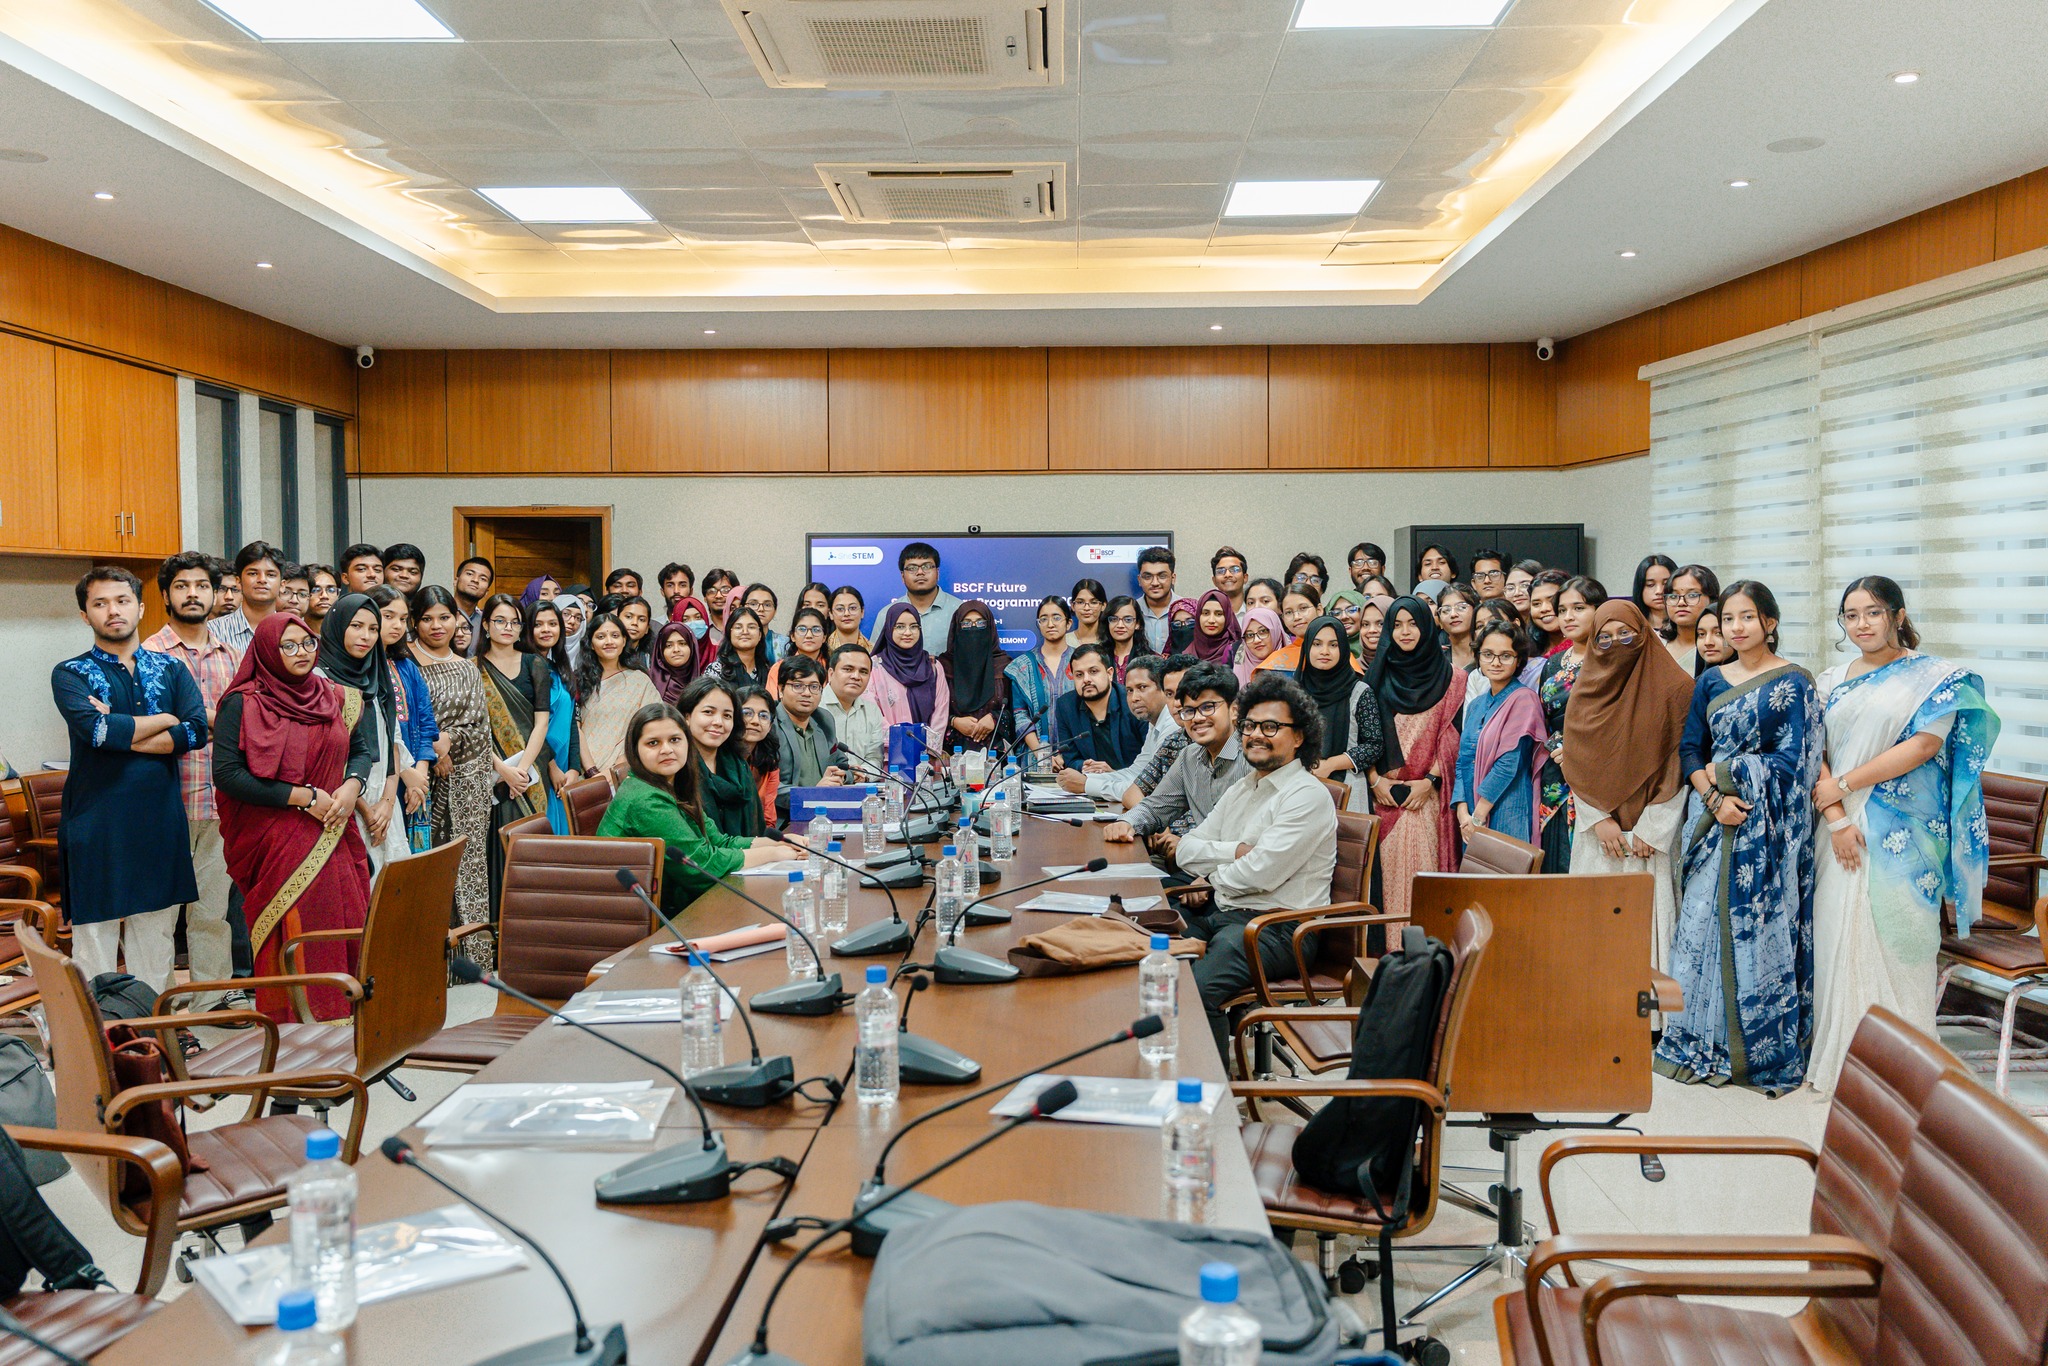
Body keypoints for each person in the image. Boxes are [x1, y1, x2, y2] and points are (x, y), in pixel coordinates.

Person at [1806, 577, 1997, 1094]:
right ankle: (1844, 1063)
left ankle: (1906, 1074)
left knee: (1902, 943)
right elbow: (1814, 750)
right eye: (1851, 615)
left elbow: (1922, 747)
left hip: (1907, 835)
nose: (1861, 624)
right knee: (1836, 938)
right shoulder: (1829, 680)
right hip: (1839, 827)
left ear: (1898, 615)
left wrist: (1843, 787)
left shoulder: (1938, 679)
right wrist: (1837, 815)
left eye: (1872, 612)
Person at [1657, 580, 1823, 1095]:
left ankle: (1754, 1049)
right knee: (1701, 924)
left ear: (1769, 622)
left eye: (1746, 617)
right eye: (1729, 619)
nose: (1736, 628)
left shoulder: (1795, 681)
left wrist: (1737, 782)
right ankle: (1697, 1038)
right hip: (1715, 821)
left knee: (1758, 931)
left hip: (1767, 829)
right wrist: (1715, 798)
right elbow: (1690, 751)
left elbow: (1798, 761)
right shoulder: (1709, 682)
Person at [212, 612, 370, 1022]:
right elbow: (228, 775)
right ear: (267, 650)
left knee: (343, 921)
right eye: (289, 645)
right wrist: (302, 797)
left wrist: (352, 786)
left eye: (308, 643)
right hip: (277, 837)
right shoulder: (242, 702)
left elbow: (361, 751)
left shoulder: (337, 696)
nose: (302, 653)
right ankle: (297, 1029)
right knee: (297, 930)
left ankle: (344, 1020)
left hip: (335, 827)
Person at [54, 567, 206, 992]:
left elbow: (195, 732)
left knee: (155, 941)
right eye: (99, 603)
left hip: (158, 822)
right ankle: (98, 1045)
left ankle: (153, 1042)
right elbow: (97, 734)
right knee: (94, 944)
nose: (112, 611)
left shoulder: (171, 669)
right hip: (95, 823)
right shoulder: (70, 673)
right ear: (86, 615)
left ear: (140, 607)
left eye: (121, 601)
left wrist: (124, 730)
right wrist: (163, 720)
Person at [1173, 673, 1338, 1058]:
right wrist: (1235, 851)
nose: (1255, 735)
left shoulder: (1306, 796)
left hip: (1282, 928)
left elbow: (1262, 871)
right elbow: (1185, 851)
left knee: (1196, 991)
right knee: (1150, 954)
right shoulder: (1244, 787)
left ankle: (1210, 1103)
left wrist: (1212, 877)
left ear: (1299, 737)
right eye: (1249, 726)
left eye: (1270, 727)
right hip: (1228, 912)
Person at [1565, 601, 1695, 974]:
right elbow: (1577, 759)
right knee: (1595, 927)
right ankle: (1597, 1011)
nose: (1616, 644)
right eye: (1603, 638)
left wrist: (1653, 828)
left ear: (1644, 635)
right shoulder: (1586, 690)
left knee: (1647, 924)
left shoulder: (1676, 689)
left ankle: (1649, 1022)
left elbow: (1679, 763)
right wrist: (1598, 819)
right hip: (1599, 836)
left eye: (1626, 634)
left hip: (1648, 840)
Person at [143, 553, 242, 1008]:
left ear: (216, 593)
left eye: (202, 586)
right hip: (164, 803)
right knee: (158, 915)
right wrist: (206, 720)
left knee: (212, 913)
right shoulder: (147, 655)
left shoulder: (233, 656)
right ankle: (160, 1004)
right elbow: (149, 724)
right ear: (165, 594)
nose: (193, 594)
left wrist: (198, 722)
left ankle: (212, 999)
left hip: (221, 802)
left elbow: (246, 725)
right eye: (182, 586)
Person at [595, 703, 803, 919]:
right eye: (653, 743)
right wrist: (774, 854)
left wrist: (782, 842)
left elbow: (718, 841)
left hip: (672, 906)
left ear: (687, 742)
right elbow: (700, 866)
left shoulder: (673, 784)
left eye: (674, 740)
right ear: (635, 750)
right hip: (639, 920)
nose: (666, 749)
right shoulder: (645, 799)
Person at [1362, 597, 1463, 920]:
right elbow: (1364, 736)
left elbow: (1452, 739)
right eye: (1397, 624)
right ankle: (1387, 959)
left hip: (1427, 798)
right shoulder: (1374, 679)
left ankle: (1423, 958)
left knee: (1424, 876)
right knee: (1384, 882)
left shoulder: (1454, 679)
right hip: (1382, 797)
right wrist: (1375, 780)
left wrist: (1430, 781)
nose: (1405, 632)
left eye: (1414, 623)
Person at [411, 585, 495, 968]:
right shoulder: (406, 664)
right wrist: (432, 750)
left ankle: (473, 957)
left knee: (468, 861)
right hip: (420, 779)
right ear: (415, 622)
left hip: (468, 778)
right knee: (426, 866)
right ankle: (429, 959)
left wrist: (447, 740)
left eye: (444, 617)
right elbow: (405, 717)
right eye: (427, 618)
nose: (437, 625)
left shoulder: (467, 666)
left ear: (457, 620)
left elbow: (480, 725)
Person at [475, 592, 571, 903]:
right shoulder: (472, 667)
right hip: (489, 776)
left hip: (530, 776)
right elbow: (473, 728)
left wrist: (521, 770)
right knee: (497, 849)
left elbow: (541, 722)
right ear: (486, 625)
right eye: (500, 621)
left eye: (514, 622)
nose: (508, 627)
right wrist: (501, 769)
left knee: (533, 847)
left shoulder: (535, 664)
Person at [1105, 665, 1248, 870]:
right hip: (1196, 866)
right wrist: (1126, 823)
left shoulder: (1252, 757)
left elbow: (1254, 842)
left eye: (1208, 707)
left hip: (1237, 875)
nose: (1197, 718)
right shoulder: (1189, 757)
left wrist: (1207, 878)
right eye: (1189, 711)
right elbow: (1156, 806)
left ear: (1233, 710)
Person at [314, 592, 413, 871]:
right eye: (356, 626)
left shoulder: (377, 674)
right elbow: (327, 757)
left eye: (373, 629)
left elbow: (391, 742)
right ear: (338, 626)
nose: (366, 636)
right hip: (343, 805)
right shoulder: (320, 680)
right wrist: (368, 811)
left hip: (384, 805)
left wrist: (387, 802)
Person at [1534, 575, 1606, 872]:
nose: (1568, 617)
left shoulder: (1612, 660)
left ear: (1599, 610)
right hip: (1556, 770)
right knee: (1555, 861)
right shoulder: (1553, 663)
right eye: (1562, 610)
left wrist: (1578, 753)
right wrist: (1557, 749)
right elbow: (1540, 718)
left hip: (1598, 773)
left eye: (1578, 608)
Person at [1453, 622, 1546, 844]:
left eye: (1505, 656)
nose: (1495, 662)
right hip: (1472, 811)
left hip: (1508, 805)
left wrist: (1478, 816)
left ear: (1518, 661)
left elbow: (1507, 765)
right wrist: (1462, 811)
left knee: (1505, 875)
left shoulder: (1524, 699)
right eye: (1487, 654)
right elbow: (1462, 761)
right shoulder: (1476, 704)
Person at [370, 584, 437, 854]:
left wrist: (419, 774)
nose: (397, 625)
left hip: (415, 779)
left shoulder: (406, 665)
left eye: (402, 618)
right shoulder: (360, 666)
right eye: (388, 616)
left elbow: (426, 721)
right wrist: (405, 773)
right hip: (379, 778)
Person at [1061, 654, 1181, 803]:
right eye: (1130, 690)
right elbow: (1136, 773)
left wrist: (1086, 784)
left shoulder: (1173, 726)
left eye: (1142, 688)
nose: (1134, 698)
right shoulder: (1154, 723)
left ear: (1163, 689)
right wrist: (1086, 778)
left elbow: (1148, 790)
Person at [1293, 616, 1382, 810]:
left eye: (1333, 645)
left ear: (1343, 648)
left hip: (1348, 788)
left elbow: (1374, 745)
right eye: (1317, 644)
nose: (1324, 651)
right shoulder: (1293, 692)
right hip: (1296, 786)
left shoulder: (1360, 691)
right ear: (1307, 647)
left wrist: (1330, 764)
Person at [679, 675, 764, 840]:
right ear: (687, 717)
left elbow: (757, 828)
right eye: (708, 712)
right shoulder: (677, 768)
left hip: (750, 860)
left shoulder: (739, 767)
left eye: (727, 716)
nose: (718, 722)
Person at [576, 612, 658, 782]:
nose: (609, 642)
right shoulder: (579, 681)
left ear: (624, 641)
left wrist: (621, 766)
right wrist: (593, 773)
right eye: (600, 636)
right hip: (585, 773)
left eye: (615, 636)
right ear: (591, 644)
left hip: (630, 772)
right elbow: (574, 729)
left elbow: (651, 726)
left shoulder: (640, 681)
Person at [524, 599, 582, 831]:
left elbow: (570, 723)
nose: (546, 630)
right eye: (538, 624)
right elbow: (527, 724)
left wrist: (574, 768)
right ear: (528, 629)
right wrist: (550, 766)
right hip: (539, 768)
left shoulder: (558, 667)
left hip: (563, 769)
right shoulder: (525, 668)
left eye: (552, 623)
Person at [869, 602, 952, 759]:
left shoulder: (933, 666)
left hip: (927, 758)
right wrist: (902, 745)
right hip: (889, 758)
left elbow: (941, 711)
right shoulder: (875, 666)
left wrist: (929, 748)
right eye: (899, 627)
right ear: (889, 629)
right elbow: (872, 713)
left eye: (914, 627)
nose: (908, 632)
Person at [1052, 645, 1148, 773]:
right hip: (1091, 785)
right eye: (1079, 675)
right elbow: (1071, 758)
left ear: (1109, 673)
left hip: (1134, 784)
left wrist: (1114, 773)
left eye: (1093, 671)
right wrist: (1086, 767)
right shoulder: (1066, 706)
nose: (1086, 680)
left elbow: (1150, 760)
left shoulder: (1132, 701)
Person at [772, 655, 842, 821]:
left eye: (814, 687)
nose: (806, 693)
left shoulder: (823, 720)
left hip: (823, 816)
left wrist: (844, 775)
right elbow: (766, 787)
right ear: (780, 689)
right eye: (798, 686)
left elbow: (840, 762)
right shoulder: (769, 725)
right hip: (783, 821)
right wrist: (812, 794)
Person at [1005, 595, 1076, 760]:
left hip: (1076, 755)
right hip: (1034, 757)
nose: (1050, 624)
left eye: (1056, 618)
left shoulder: (1082, 661)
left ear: (1069, 623)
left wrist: (1069, 754)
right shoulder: (1023, 666)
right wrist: (1041, 753)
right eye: (1043, 619)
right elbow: (1020, 715)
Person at [939, 599, 1008, 752]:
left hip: (996, 758)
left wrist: (995, 719)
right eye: (967, 624)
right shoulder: (942, 667)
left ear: (989, 628)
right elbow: (930, 712)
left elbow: (1019, 711)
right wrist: (953, 721)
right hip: (951, 757)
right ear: (957, 628)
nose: (974, 628)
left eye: (980, 623)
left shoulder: (1005, 666)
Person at [821, 643, 888, 774]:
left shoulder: (872, 711)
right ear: (831, 673)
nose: (856, 676)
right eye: (848, 669)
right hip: (822, 787)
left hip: (862, 787)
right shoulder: (815, 707)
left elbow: (875, 758)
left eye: (863, 672)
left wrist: (862, 774)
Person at [209, 541, 284, 651]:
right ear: (238, 582)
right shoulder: (212, 631)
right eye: (253, 573)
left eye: (270, 575)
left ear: (282, 584)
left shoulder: (294, 632)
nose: (262, 580)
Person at [883, 542, 961, 645]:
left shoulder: (959, 610)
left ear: (937, 573)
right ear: (902, 576)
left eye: (927, 566)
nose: (920, 572)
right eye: (912, 568)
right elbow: (877, 658)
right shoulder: (887, 614)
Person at [734, 685, 781, 830]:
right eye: (747, 713)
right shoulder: (720, 760)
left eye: (763, 716)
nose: (755, 721)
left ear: (770, 725)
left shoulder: (769, 763)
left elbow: (769, 819)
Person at [1664, 564, 1721, 675]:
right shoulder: (1655, 644)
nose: (1681, 603)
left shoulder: (1719, 646)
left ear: (1712, 600)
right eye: (1673, 596)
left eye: (1692, 595)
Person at [765, 607, 830, 699]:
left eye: (816, 630)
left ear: (824, 637)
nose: (809, 635)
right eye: (802, 629)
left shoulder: (832, 668)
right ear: (792, 636)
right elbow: (772, 704)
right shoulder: (778, 668)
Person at [1254, 586, 1322, 674]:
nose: (1296, 617)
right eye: (1288, 612)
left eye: (1303, 608)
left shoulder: (1338, 653)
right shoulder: (1275, 665)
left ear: (1319, 610)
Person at [647, 619, 707, 707]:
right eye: (669, 646)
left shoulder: (704, 685)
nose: (676, 650)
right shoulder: (648, 682)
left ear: (692, 647)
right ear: (660, 651)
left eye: (682, 644)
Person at [715, 605, 772, 691]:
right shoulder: (718, 669)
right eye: (738, 627)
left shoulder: (768, 670)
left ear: (760, 635)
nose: (745, 632)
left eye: (751, 627)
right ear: (729, 633)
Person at [1136, 547, 1176, 650]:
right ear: (1139, 580)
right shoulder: (1131, 611)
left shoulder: (1187, 611)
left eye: (1162, 576)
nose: (1155, 583)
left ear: (1173, 578)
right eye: (1147, 577)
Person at [1436, 583, 1480, 673]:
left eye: (1461, 607)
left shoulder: (1488, 656)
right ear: (1440, 621)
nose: (1453, 614)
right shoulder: (1436, 659)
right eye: (1446, 610)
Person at [1633, 554, 1678, 639]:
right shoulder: (1632, 628)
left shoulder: (1685, 627)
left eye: (1665, 584)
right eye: (1650, 585)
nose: (1659, 591)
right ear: (1640, 588)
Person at [1234, 606, 1283, 683]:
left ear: (1276, 632)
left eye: (1263, 631)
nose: (1256, 640)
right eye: (1250, 635)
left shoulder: (1294, 664)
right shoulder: (1240, 667)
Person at [739, 583, 788, 659]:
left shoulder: (785, 643)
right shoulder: (736, 639)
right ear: (742, 608)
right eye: (754, 604)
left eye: (767, 605)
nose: (761, 609)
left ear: (775, 610)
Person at [1526, 569, 1569, 656]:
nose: (1544, 609)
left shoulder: (1584, 647)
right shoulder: (1526, 649)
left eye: (1552, 600)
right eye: (1536, 604)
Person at [1102, 595, 1143, 681]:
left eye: (1128, 620)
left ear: (1137, 624)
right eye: (1114, 619)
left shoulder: (1149, 659)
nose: (1120, 625)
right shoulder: (1098, 657)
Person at [452, 556, 495, 635]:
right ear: (456, 581)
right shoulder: (438, 613)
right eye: (469, 574)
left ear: (486, 592)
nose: (475, 580)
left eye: (483, 579)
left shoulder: (485, 624)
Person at [826, 585, 869, 653]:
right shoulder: (822, 650)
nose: (846, 614)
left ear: (862, 612)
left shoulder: (874, 652)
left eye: (852, 608)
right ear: (830, 614)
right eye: (840, 609)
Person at [1068, 578, 1109, 648]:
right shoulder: (1064, 641)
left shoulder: (1110, 642)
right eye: (1080, 602)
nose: (1086, 608)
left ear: (1103, 605)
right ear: (1072, 605)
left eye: (1093, 602)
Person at [1694, 601, 1733, 670]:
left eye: (1719, 633)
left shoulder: (1754, 679)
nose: (1708, 642)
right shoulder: (1701, 680)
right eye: (1701, 634)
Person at [1209, 546, 1248, 615]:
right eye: (1221, 571)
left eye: (1234, 569)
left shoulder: (1256, 609)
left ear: (1245, 577)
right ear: (1214, 581)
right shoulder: (1209, 615)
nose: (1227, 575)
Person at [304, 564, 339, 636]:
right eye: (315, 590)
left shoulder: (345, 635)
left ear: (338, 595)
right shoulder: (292, 634)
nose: (324, 596)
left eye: (331, 590)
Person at [701, 569, 739, 635]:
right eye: (712, 591)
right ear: (705, 597)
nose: (719, 596)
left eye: (725, 590)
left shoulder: (744, 629)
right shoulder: (701, 630)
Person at [556, 593, 589, 667]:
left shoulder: (587, 652)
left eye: (578, 618)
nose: (572, 621)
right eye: (566, 614)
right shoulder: (543, 647)